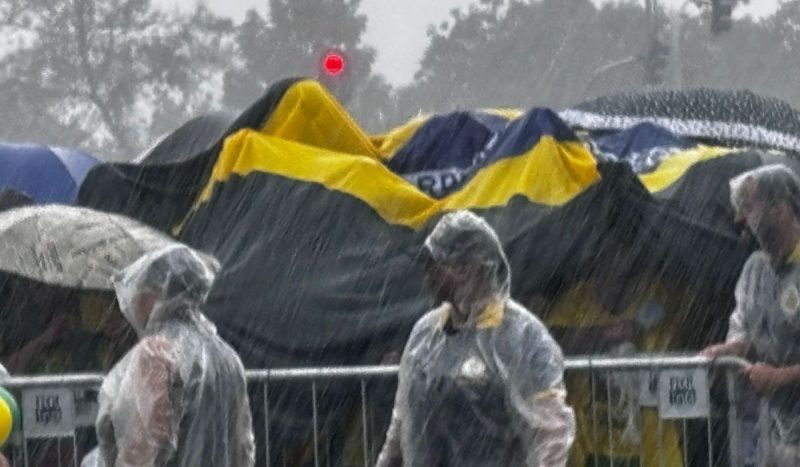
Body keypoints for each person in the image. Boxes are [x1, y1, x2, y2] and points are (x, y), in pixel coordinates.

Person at [375, 210, 575, 467]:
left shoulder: (522, 335)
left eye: (434, 265)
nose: (426, 275)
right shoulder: (425, 334)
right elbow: (401, 421)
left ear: (465, 268)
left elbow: (549, 431)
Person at [95, 244, 255, 467]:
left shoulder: (156, 352)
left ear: (158, 292)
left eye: (140, 289)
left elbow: (145, 444)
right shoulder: (227, 355)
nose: (132, 302)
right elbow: (242, 446)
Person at [534, 239, 687, 467]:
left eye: (630, 274)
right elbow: (547, 342)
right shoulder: (575, 301)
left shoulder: (664, 296)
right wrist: (608, 334)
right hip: (589, 445)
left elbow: (706, 317)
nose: (620, 284)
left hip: (654, 447)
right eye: (612, 272)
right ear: (596, 266)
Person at [701, 164, 800, 466]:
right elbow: (746, 332)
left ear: (779, 208)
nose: (739, 218)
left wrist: (780, 377)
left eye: (747, 206)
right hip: (781, 434)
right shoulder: (754, 270)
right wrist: (727, 351)